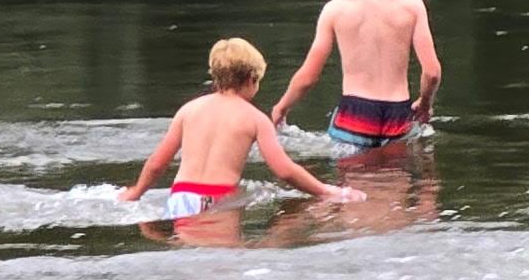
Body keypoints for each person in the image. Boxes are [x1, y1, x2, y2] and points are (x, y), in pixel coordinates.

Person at [119, 39, 362, 219]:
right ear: (251, 79)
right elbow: (285, 171)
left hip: (180, 196)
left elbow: (156, 163)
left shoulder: (188, 110)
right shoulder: (255, 118)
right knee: (224, 262)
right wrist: (327, 191)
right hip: (215, 198)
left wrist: (136, 193)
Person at [270, 0, 442, 150]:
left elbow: (309, 77)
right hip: (398, 115)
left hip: (355, 114)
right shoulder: (412, 5)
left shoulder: (335, 9)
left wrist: (281, 108)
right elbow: (432, 72)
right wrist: (425, 104)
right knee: (396, 179)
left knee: (355, 180)